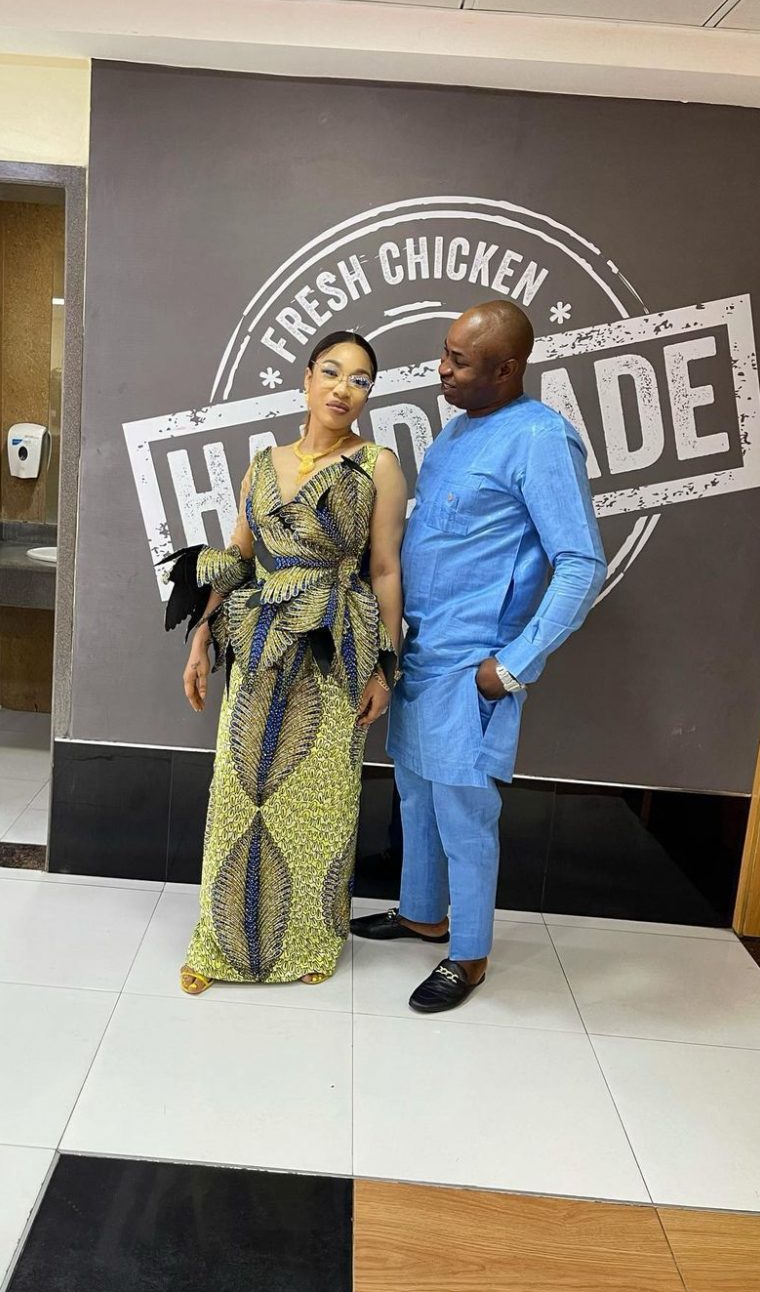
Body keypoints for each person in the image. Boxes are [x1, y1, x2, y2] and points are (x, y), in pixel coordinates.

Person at [350, 301, 606, 1014]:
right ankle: (422, 915)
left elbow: (582, 563)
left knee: (464, 811)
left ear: (507, 368)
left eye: (459, 361)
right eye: (445, 353)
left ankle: (468, 954)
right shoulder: (456, 433)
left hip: (473, 667)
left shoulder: (541, 439)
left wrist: (514, 664)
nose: (442, 369)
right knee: (417, 794)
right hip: (420, 654)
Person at [164, 331, 407, 993]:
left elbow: (385, 570)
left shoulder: (378, 465)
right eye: (331, 371)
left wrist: (384, 667)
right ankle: (220, 946)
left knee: (323, 801)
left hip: (338, 648)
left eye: (360, 379)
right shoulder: (262, 464)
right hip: (260, 647)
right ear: (306, 378)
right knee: (240, 798)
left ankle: (308, 942)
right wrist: (200, 637)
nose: (343, 388)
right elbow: (239, 559)